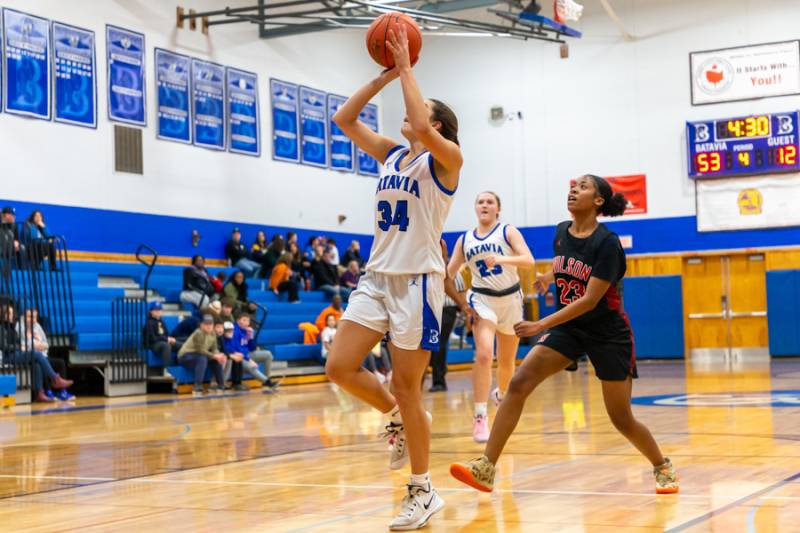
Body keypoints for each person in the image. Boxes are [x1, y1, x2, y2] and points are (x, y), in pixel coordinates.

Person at [449, 175, 679, 496]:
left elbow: (589, 300)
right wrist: (548, 275)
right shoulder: (562, 232)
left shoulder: (608, 244)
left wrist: (540, 325)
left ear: (598, 201)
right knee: (518, 384)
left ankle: (661, 464)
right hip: (570, 330)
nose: (573, 189)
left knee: (621, 418)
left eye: (583, 186)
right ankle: (486, 467)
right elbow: (565, 262)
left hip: (607, 333)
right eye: (574, 185)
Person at [326, 25, 462, 530]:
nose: (410, 115)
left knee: (410, 387)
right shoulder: (391, 155)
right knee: (340, 367)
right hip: (377, 277)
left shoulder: (447, 161)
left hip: (419, 284)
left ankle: (423, 492)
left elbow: (426, 132)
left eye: (420, 110)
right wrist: (385, 76)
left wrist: (408, 68)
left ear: (439, 125)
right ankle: (399, 421)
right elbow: (343, 118)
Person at [447, 191, 535, 442]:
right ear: (475, 208)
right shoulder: (465, 240)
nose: (484, 205)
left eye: (490, 202)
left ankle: (502, 394)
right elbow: (450, 272)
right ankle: (479, 416)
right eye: (480, 202)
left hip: (510, 300)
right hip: (481, 299)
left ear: (498, 209)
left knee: (506, 364)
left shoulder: (507, 231)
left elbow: (528, 260)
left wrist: (501, 258)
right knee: (485, 355)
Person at [1, 304, 72, 403]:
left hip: (17, 353)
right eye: (9, 313)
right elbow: (4, 346)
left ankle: (39, 393)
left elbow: (18, 342)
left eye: (12, 313)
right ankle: (55, 378)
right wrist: (20, 346)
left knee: (36, 363)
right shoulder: (2, 328)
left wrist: (22, 346)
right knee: (36, 354)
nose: (12, 315)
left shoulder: (12, 327)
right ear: (4, 314)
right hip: (8, 357)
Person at [429, 239, 470, 393]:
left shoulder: (453, 271)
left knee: (439, 343)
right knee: (431, 345)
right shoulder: (428, 269)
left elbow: (461, 293)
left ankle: (439, 382)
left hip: (448, 309)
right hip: (431, 310)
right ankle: (440, 369)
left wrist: (465, 312)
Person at [17, 308, 75, 401]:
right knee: (40, 362)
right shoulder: (19, 327)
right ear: (23, 317)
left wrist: (40, 344)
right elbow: (21, 346)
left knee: (60, 362)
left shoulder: (37, 326)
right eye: (29, 316)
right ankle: (48, 390)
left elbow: (46, 344)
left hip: (41, 354)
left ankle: (62, 391)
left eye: (34, 317)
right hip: (28, 356)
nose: (32, 319)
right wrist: (33, 344)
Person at [177, 314, 227, 395]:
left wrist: (218, 355)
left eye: (210, 324)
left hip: (199, 355)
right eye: (206, 324)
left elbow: (214, 348)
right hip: (185, 356)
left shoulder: (213, 333)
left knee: (216, 360)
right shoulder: (198, 333)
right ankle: (197, 386)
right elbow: (200, 350)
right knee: (202, 358)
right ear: (201, 325)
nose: (208, 326)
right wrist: (214, 355)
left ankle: (221, 384)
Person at [232, 313, 279, 390]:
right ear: (238, 321)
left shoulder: (246, 330)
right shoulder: (235, 331)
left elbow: (252, 348)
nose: (246, 323)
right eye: (244, 320)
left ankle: (266, 381)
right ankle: (268, 382)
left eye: (248, 321)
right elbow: (237, 350)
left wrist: (251, 337)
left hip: (247, 354)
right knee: (251, 366)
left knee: (268, 354)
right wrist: (249, 360)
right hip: (238, 357)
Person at [143, 301, 176, 379]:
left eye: (159, 310)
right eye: (156, 310)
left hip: (161, 342)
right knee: (166, 346)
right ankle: (165, 370)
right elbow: (152, 338)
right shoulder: (149, 323)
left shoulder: (161, 321)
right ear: (151, 311)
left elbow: (166, 334)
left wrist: (168, 339)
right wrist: (166, 339)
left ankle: (182, 366)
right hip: (153, 345)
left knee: (178, 344)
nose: (158, 312)